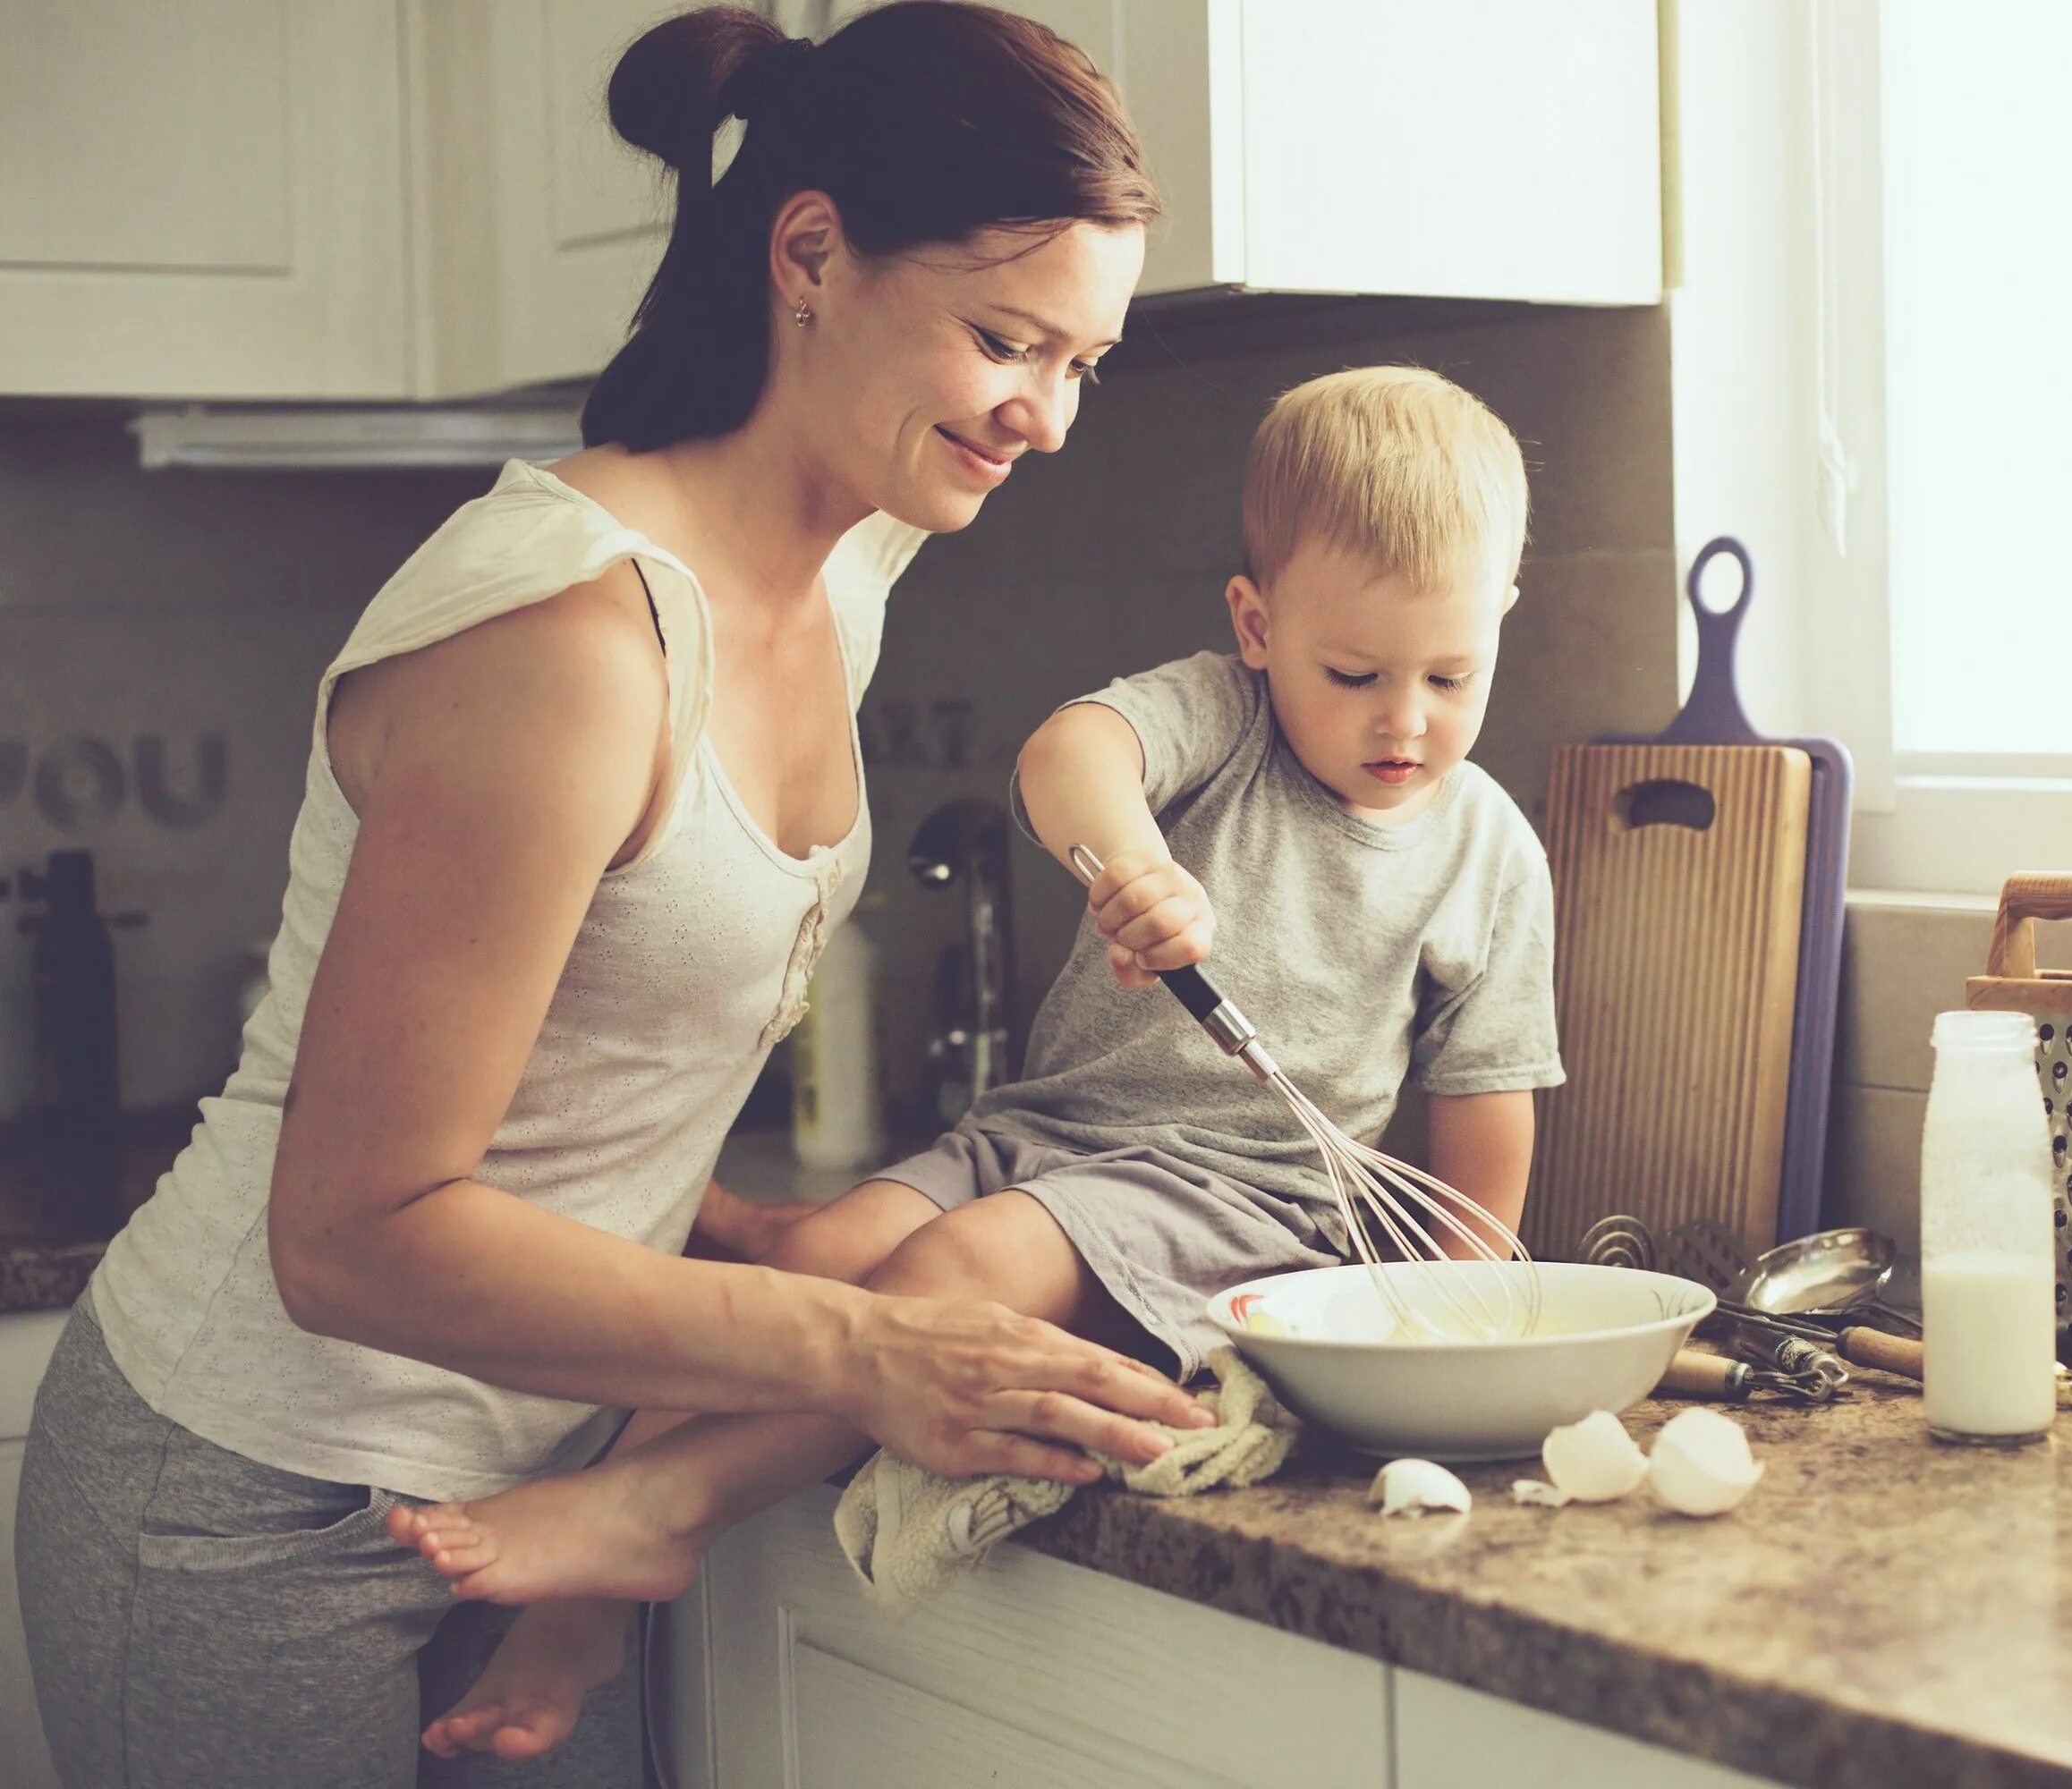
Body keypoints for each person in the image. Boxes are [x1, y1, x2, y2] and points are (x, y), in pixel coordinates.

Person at [10, 6, 1213, 1785]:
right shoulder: (572, 635)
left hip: (546, 1476)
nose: (1045, 417)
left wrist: (738, 1230)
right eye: (1004, 340)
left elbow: (578, 1044)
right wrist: (860, 1344)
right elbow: (349, 1228)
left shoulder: (853, 553)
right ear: (809, 254)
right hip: (251, 1501)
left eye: (1086, 360)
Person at [383, 364, 1567, 1751]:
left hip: (1247, 1196)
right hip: (1045, 1133)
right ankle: (580, 1617)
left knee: (951, 1280)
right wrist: (1128, 861)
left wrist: (1449, 1347)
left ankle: (662, 1505)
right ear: (1256, 626)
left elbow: (1483, 1177)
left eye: (1451, 675)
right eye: (1354, 674)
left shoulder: (1489, 853)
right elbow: (1070, 752)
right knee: (813, 1265)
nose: (1405, 722)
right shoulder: (1218, 723)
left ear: (1501, 628)